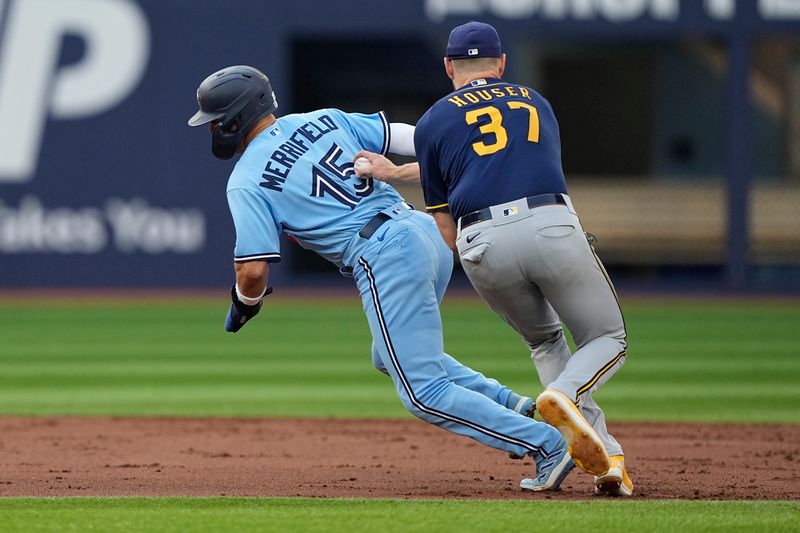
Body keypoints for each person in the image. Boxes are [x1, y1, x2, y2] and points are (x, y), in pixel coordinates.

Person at [187, 64, 609, 492]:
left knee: (422, 392)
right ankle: (511, 405)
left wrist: (246, 302)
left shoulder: (245, 179)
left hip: (383, 253)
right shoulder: (322, 118)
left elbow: (253, 270)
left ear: (235, 118)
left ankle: (547, 447)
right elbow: (412, 136)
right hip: (425, 234)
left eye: (215, 121)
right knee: (387, 354)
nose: (212, 130)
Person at [354, 21, 631, 496]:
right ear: (501, 63)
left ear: (448, 67)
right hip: (548, 221)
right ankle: (565, 395)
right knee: (607, 336)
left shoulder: (434, 121)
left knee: (545, 343)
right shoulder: (533, 100)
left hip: (479, 239)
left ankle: (604, 456)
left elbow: (449, 209)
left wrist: (397, 175)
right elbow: (502, 156)